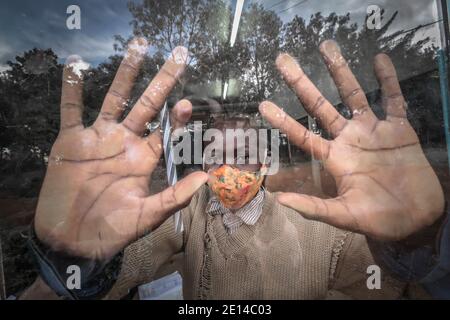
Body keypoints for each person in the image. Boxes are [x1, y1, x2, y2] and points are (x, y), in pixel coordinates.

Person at [22, 38, 449, 300]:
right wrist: (76, 263)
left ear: (264, 160)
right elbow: (126, 268)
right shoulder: (183, 220)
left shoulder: (324, 226)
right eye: (215, 154)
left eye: (242, 153)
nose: (228, 169)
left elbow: (383, 285)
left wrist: (411, 241)